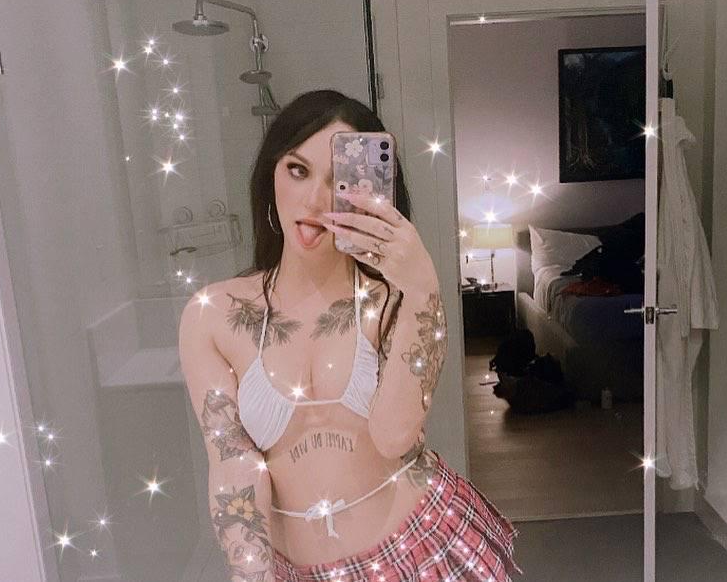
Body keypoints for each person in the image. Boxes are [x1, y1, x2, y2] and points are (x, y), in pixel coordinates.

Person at [178, 90, 521, 581]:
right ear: (271, 175)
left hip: (420, 549)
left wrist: (422, 286)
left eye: (339, 180)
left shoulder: (393, 300)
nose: (315, 200)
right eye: (298, 170)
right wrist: (252, 574)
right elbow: (233, 465)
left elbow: (394, 435)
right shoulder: (213, 316)